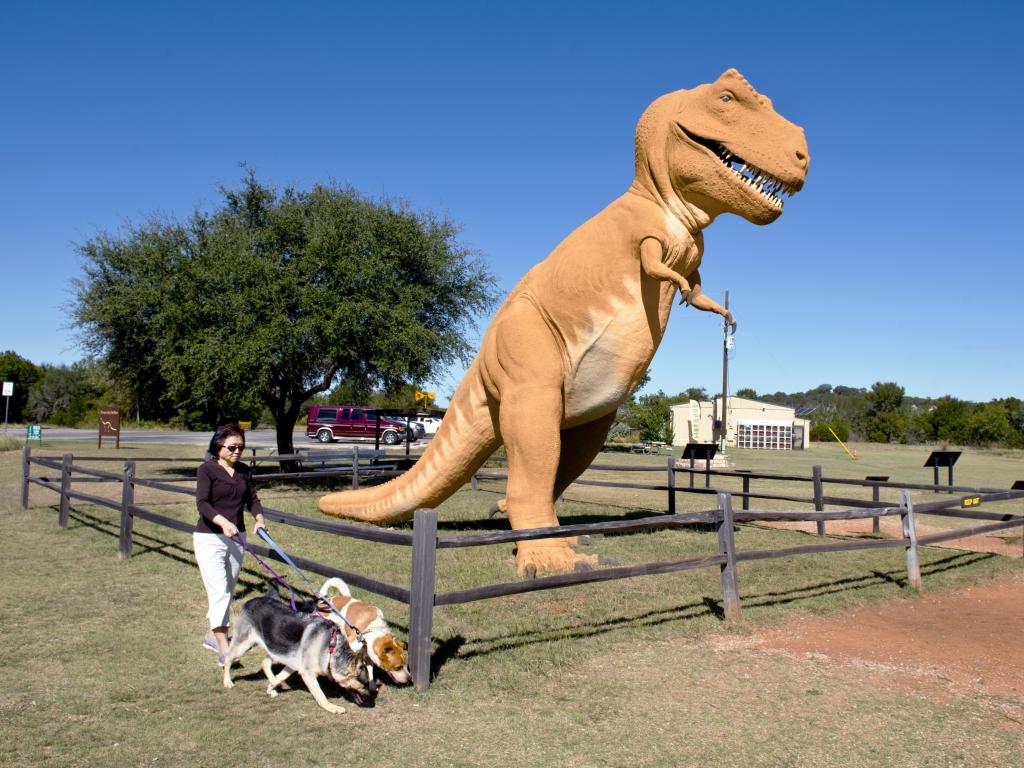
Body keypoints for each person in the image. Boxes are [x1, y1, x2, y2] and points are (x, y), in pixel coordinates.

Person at [193, 423, 267, 665]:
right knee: (220, 590)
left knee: (228, 589)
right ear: (218, 447)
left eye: (241, 447)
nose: (237, 451)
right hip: (209, 538)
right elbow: (203, 504)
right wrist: (222, 522)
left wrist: (259, 519)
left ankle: (210, 635)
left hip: (237, 537)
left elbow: (252, 499)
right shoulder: (207, 470)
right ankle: (224, 647)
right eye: (232, 447)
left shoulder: (244, 471)